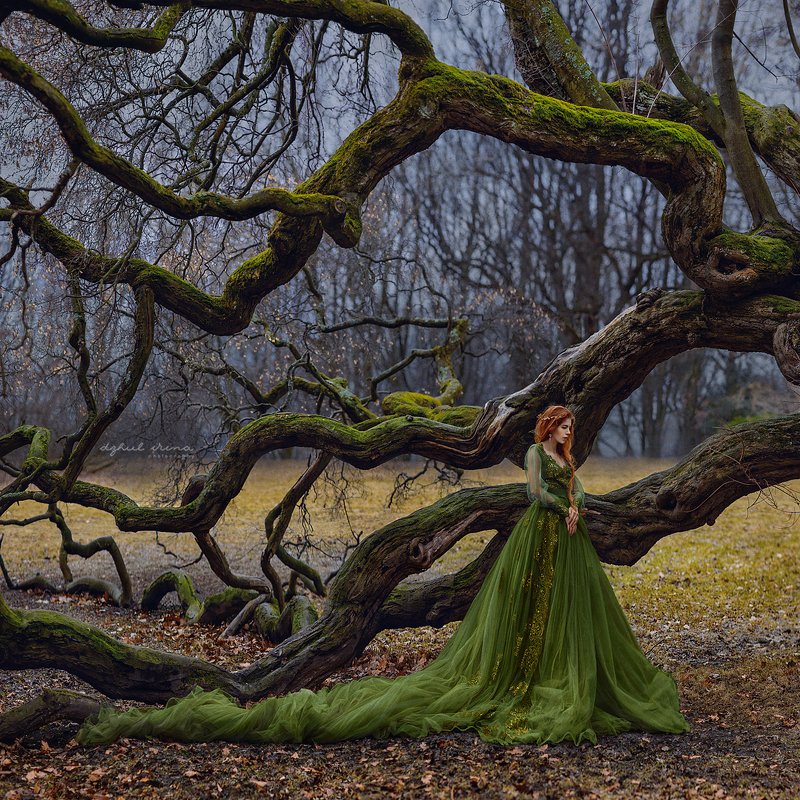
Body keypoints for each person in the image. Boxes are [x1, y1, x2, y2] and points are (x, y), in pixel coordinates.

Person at [76, 405, 690, 746]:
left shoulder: (569, 459)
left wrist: (579, 503)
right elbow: (534, 497)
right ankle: (521, 681)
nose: (564, 435)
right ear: (544, 429)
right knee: (526, 613)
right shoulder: (534, 455)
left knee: (569, 614)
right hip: (541, 539)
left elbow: (573, 485)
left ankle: (564, 674)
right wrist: (564, 507)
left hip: (572, 546)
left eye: (568, 429)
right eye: (558, 427)